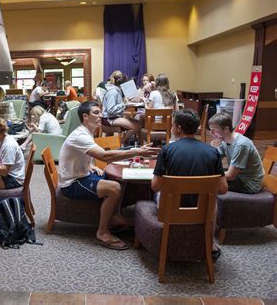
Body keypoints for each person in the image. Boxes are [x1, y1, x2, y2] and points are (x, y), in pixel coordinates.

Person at [59, 101, 160, 250]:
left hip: (83, 174)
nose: (100, 115)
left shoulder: (86, 132)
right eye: (96, 113)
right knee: (114, 188)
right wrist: (137, 151)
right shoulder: (80, 135)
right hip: (72, 183)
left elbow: (80, 155)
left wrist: (90, 166)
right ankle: (102, 232)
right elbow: (104, 156)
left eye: (100, 112)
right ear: (85, 117)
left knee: (116, 180)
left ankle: (116, 217)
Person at [151, 109, 228, 259]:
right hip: (203, 211)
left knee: (157, 194)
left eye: (173, 125)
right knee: (213, 201)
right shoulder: (213, 152)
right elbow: (223, 189)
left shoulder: (167, 150)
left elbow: (155, 186)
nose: (172, 129)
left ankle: (167, 237)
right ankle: (210, 243)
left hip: (172, 209)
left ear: (178, 128)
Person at [208, 112, 264, 194]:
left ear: (226, 129)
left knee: (208, 183)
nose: (211, 133)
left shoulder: (241, 145)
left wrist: (207, 176)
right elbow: (214, 161)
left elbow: (231, 176)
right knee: (208, 174)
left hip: (249, 183)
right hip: (239, 176)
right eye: (210, 130)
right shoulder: (223, 141)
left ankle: (205, 206)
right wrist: (213, 149)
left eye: (214, 130)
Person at [102, 70, 141, 144]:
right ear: (121, 84)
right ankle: (120, 143)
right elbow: (111, 110)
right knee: (137, 125)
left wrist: (125, 104)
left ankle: (118, 143)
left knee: (137, 123)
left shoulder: (114, 90)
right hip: (109, 118)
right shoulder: (113, 92)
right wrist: (124, 104)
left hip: (112, 117)